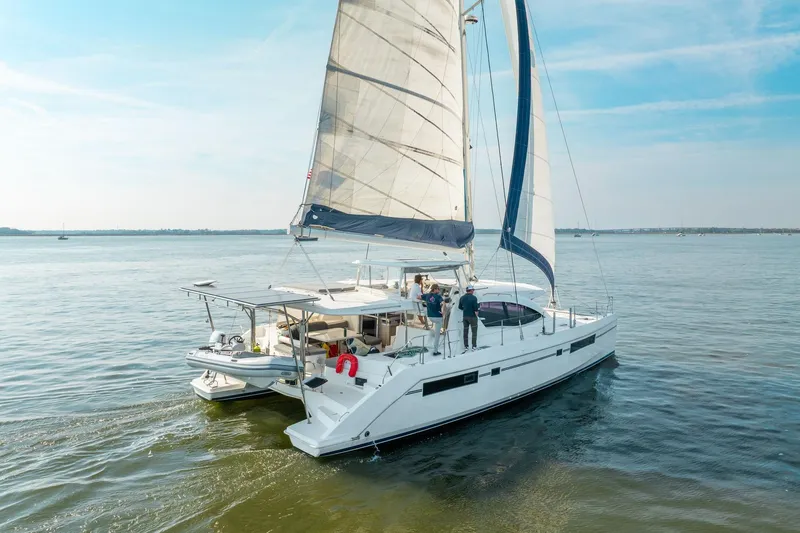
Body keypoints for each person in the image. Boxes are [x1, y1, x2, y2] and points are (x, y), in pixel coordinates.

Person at [423, 284, 444, 355]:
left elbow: (418, 297)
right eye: (438, 289)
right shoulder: (438, 296)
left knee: (436, 329)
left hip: (430, 317)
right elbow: (443, 303)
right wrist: (443, 311)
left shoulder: (427, 296)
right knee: (437, 335)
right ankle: (435, 351)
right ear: (435, 289)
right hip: (438, 317)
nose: (439, 290)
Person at [458, 284, 479, 353]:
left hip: (465, 317)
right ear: (471, 290)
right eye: (473, 290)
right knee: (474, 332)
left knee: (465, 331)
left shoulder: (462, 298)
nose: (473, 291)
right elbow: (476, 308)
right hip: (472, 317)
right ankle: (474, 346)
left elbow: (460, 307)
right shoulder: (474, 298)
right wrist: (476, 314)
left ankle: (466, 346)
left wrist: (465, 309)